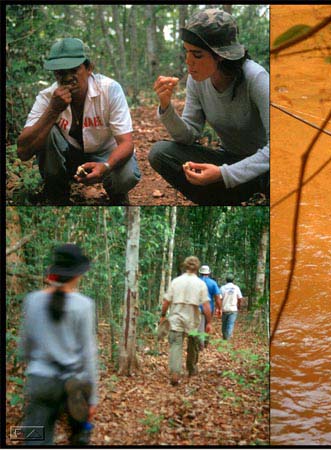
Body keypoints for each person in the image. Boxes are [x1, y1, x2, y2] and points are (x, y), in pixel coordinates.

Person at [149, 8, 269, 205]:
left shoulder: (256, 79)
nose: (188, 62)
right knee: (160, 153)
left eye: (197, 55)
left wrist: (224, 174)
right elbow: (188, 135)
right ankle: (219, 201)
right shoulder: (197, 80)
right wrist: (166, 107)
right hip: (229, 160)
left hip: (263, 169)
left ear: (220, 56)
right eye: (187, 52)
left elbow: (277, 149)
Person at [16, 38, 141, 205]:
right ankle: (57, 196)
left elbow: (127, 143)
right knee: (48, 131)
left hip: (105, 155)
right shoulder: (48, 97)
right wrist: (53, 111)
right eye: (61, 73)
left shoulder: (110, 89)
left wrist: (106, 166)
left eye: (73, 71)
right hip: (70, 157)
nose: (67, 79)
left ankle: (116, 194)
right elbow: (23, 152)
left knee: (127, 175)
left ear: (89, 68)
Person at [18, 244, 98, 445]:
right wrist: (93, 398)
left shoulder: (32, 300)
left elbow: (24, 346)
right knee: (80, 437)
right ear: (77, 274)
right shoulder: (84, 305)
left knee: (35, 438)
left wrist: (35, 368)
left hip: (40, 381)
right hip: (74, 384)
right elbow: (88, 353)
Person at [160, 256, 212, 385]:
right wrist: (209, 322)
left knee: (175, 346)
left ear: (185, 266)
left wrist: (162, 315)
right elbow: (206, 306)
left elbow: (166, 301)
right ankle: (191, 368)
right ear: (197, 268)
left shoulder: (176, 281)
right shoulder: (200, 284)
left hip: (176, 318)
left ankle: (175, 373)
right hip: (193, 321)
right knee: (193, 344)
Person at [197, 265, 222, 350]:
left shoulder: (195, 281)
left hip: (197, 308)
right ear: (208, 273)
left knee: (199, 327)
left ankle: (201, 344)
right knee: (208, 324)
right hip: (209, 308)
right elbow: (217, 298)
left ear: (200, 272)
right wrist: (219, 308)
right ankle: (204, 343)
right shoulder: (212, 283)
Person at [220, 274, 244, 340]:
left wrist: (219, 308)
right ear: (233, 280)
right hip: (233, 309)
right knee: (230, 324)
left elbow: (220, 298)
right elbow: (240, 298)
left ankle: (225, 338)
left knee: (224, 324)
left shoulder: (223, 288)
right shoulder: (236, 288)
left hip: (225, 308)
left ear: (226, 280)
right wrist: (239, 305)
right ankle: (227, 339)